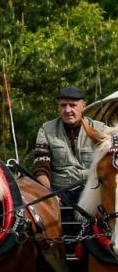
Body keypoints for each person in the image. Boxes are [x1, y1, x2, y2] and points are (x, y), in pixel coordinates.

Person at [33, 87, 109, 227]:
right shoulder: (46, 130)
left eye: (73, 105)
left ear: (83, 106)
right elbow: (41, 167)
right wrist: (48, 194)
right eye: (63, 105)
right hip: (59, 192)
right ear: (58, 108)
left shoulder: (101, 130)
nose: (68, 110)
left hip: (91, 191)